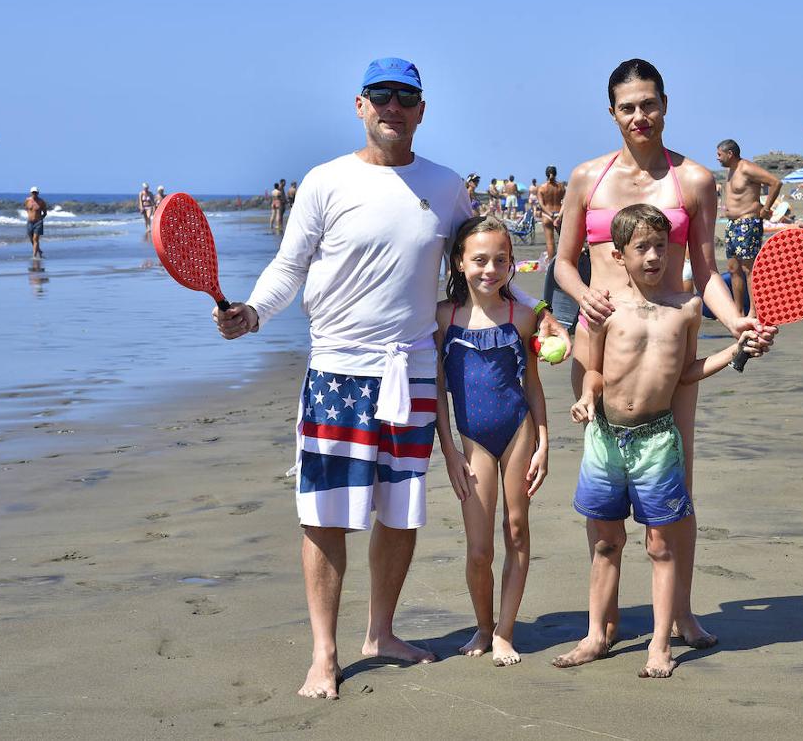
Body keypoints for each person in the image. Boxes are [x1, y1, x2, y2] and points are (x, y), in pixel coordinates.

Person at [211, 57, 568, 701]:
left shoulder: (447, 186)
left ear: (422, 110)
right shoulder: (325, 182)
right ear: (360, 105)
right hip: (339, 373)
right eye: (381, 96)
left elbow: (482, 269)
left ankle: (381, 632)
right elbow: (289, 267)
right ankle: (324, 654)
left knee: (399, 513)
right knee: (325, 517)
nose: (392, 108)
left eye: (405, 97)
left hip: (415, 373)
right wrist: (255, 312)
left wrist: (537, 319)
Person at [553, 59, 774, 667]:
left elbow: (703, 272)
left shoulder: (694, 180)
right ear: (612, 113)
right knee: (605, 493)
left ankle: (679, 611)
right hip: (602, 339)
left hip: (669, 342)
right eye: (628, 106)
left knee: (678, 485)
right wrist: (581, 297)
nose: (639, 116)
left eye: (648, 103)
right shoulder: (586, 177)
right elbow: (564, 263)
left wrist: (737, 324)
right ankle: (603, 626)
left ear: (665, 105)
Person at [563, 204, 761, 678]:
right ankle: (595, 634)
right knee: (606, 542)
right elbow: (592, 369)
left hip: (656, 441)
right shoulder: (605, 307)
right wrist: (588, 399)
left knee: (660, 546)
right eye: (642, 248)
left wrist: (736, 349)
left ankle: (659, 645)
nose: (654, 256)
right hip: (606, 439)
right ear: (619, 254)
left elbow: (687, 373)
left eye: (662, 246)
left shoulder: (688, 309)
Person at [435, 216, 548, 667]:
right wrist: (448, 451)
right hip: (472, 443)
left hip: (517, 431)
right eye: (479, 259)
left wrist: (544, 441)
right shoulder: (444, 317)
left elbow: (534, 385)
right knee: (479, 548)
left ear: (511, 265)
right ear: (460, 263)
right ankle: (483, 626)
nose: (490, 269)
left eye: (501, 260)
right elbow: (437, 390)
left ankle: (505, 630)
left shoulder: (521, 316)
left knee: (517, 530)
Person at [715, 140, 781, 315]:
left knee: (749, 269)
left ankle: (754, 310)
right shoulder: (730, 171)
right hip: (732, 224)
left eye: (719, 154)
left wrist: (766, 209)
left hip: (747, 222)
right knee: (733, 268)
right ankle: (738, 311)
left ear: (730, 154)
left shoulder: (746, 168)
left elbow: (775, 182)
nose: (717, 158)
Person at [536, 165, 566, 261]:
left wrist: (549, 214)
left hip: (547, 215)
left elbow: (541, 204)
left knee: (550, 242)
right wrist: (559, 215)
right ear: (556, 173)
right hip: (559, 215)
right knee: (563, 240)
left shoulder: (542, 188)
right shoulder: (561, 187)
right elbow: (565, 202)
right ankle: (564, 261)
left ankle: (551, 264)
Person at [25, 187, 48, 258]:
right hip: (29, 222)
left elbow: (45, 212)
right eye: (33, 192)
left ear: (38, 193)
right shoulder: (27, 200)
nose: (34, 194)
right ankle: (39, 250)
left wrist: (40, 219)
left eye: (35, 192)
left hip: (38, 222)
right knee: (31, 238)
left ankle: (34, 256)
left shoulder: (41, 201)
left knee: (35, 239)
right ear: (31, 193)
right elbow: (26, 209)